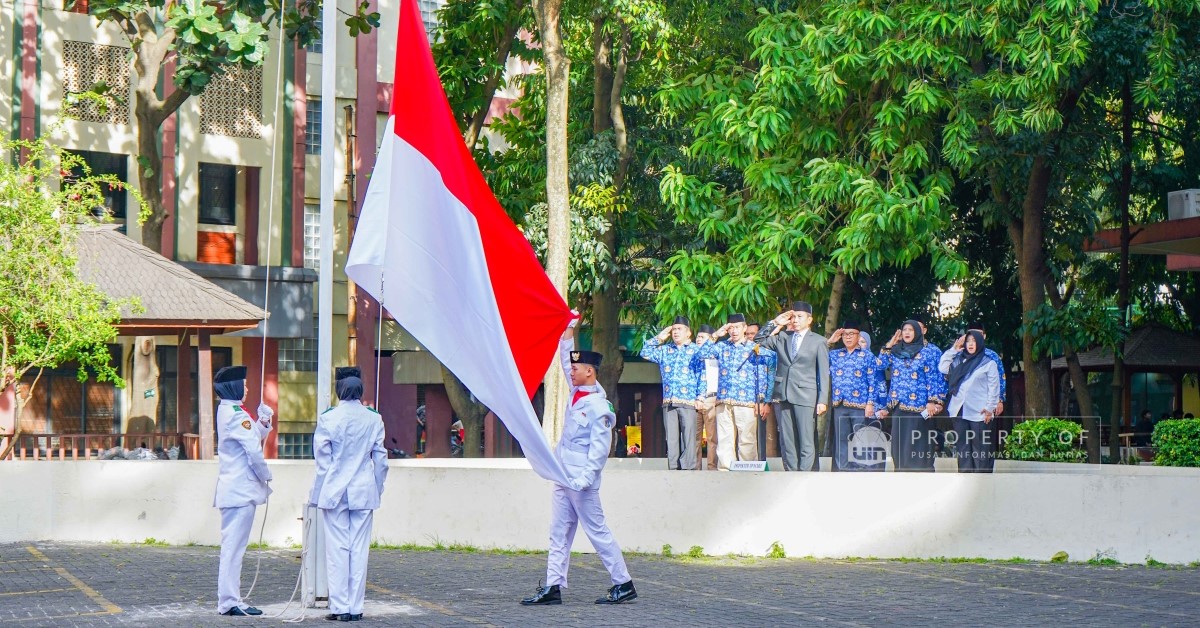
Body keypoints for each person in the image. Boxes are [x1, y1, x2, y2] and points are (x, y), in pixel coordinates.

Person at [522, 318, 635, 606]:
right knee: (558, 533)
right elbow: (563, 360)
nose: (570, 372)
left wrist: (585, 479)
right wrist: (568, 332)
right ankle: (552, 586)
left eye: (575, 369)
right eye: (571, 369)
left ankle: (623, 583)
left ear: (590, 371)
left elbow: (600, 448)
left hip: (581, 481)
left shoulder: (599, 407)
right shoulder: (577, 393)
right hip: (563, 475)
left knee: (597, 532)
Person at [310, 367, 389, 621]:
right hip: (364, 490)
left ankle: (340, 607)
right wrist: (377, 488)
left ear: (339, 391)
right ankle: (356, 607)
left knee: (337, 549)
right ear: (360, 391)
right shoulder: (373, 418)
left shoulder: (328, 418)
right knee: (359, 550)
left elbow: (322, 462)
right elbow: (381, 460)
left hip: (335, 490)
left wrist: (317, 494)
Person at [212, 365, 274, 617]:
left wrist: (263, 422)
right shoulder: (236, 414)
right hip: (240, 491)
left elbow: (252, 436)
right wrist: (265, 476)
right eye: (244, 384)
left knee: (233, 548)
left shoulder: (230, 411)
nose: (247, 388)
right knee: (234, 549)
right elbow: (253, 450)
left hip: (234, 491)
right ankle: (229, 601)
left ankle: (230, 599)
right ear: (235, 386)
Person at [754, 302, 830, 472]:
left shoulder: (819, 341)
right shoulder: (783, 337)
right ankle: (791, 473)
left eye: (799, 316)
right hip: (782, 394)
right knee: (787, 439)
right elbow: (758, 340)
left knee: (806, 438)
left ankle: (805, 474)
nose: (795, 320)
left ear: (809, 319)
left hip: (806, 395)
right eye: (793, 316)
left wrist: (822, 399)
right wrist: (776, 322)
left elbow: (823, 373)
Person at [695, 314, 774, 469]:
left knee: (747, 440)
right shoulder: (722, 346)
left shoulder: (754, 348)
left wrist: (763, 400)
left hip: (746, 401)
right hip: (723, 400)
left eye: (737, 327)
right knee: (725, 440)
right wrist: (716, 335)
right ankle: (726, 471)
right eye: (731, 327)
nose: (734, 331)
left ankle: (748, 472)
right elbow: (700, 354)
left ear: (744, 328)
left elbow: (763, 374)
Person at [877, 320, 946, 472]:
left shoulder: (929, 351)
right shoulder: (895, 351)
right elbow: (880, 365)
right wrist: (889, 345)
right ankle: (901, 474)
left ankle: (921, 475)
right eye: (904, 330)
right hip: (898, 404)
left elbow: (935, 378)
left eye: (911, 330)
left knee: (918, 443)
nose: (907, 333)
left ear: (918, 332)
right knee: (900, 444)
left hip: (921, 406)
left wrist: (934, 401)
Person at [640, 316, 703, 470]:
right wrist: (659, 338)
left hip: (688, 400)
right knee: (672, 438)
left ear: (688, 333)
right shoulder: (665, 350)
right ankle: (673, 468)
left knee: (688, 437)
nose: (675, 332)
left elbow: (703, 374)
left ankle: (688, 468)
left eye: (679, 329)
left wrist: (700, 396)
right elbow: (645, 352)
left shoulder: (697, 350)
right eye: (673, 329)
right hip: (669, 401)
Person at [939, 331, 1000, 472]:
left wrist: (990, 408)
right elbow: (942, 367)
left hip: (980, 411)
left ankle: (981, 481)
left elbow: (994, 387)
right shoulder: (959, 360)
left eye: (974, 340)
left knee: (980, 448)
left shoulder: (988, 363)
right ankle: (965, 478)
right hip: (959, 409)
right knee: (963, 447)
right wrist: (954, 349)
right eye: (968, 341)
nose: (971, 344)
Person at [825, 321, 880, 471]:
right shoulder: (835, 355)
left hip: (860, 405)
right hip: (840, 403)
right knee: (841, 439)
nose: (848, 337)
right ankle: (842, 468)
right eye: (845, 334)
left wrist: (870, 403)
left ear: (858, 335)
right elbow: (819, 356)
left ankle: (862, 468)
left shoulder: (867, 356)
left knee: (860, 437)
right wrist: (830, 342)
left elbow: (873, 382)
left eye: (851, 334)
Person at [965, 322, 1007, 416]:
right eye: (971, 336)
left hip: (986, 403)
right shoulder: (960, 356)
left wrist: (999, 400)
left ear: (984, 336)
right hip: (964, 405)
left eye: (978, 334)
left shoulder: (992, 356)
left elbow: (1001, 378)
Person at [694, 324, 720, 470]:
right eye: (697, 336)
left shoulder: (716, 355)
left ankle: (712, 467)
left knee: (712, 438)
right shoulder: (694, 357)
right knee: (694, 439)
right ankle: (696, 468)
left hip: (711, 399)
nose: (698, 339)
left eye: (702, 337)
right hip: (695, 401)